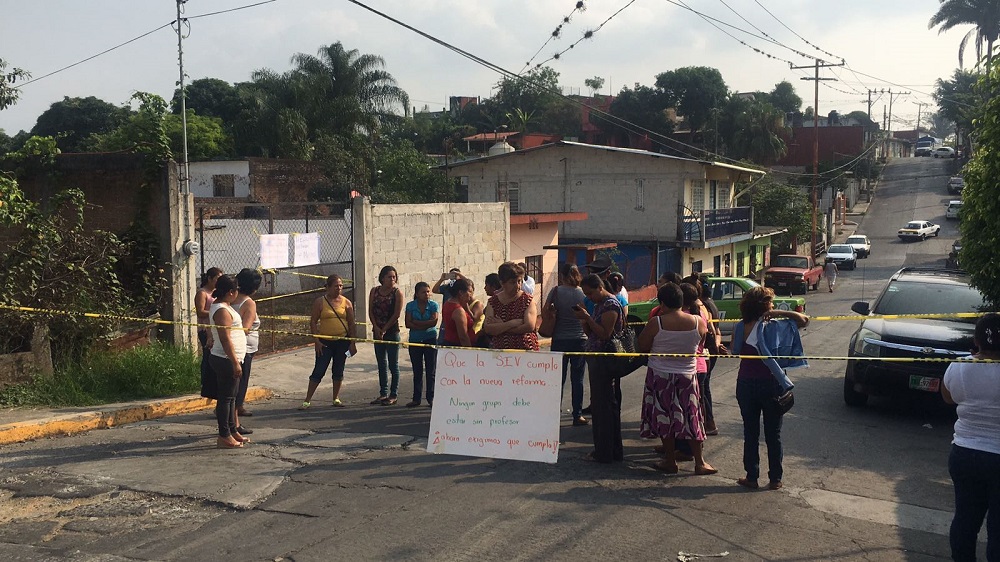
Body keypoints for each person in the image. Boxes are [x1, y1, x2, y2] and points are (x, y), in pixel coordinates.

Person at [730, 286, 809, 490]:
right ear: (765, 306)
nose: (773, 305)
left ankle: (752, 476)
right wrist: (778, 313)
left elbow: (736, 350)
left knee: (751, 433)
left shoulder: (741, 326)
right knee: (774, 434)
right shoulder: (776, 325)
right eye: (771, 303)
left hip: (746, 384)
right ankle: (775, 479)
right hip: (773, 384)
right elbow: (804, 320)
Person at [638, 282, 717, 475]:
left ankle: (670, 460)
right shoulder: (699, 322)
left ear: (662, 303)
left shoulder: (657, 323)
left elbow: (642, 346)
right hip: (688, 376)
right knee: (692, 417)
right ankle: (700, 462)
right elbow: (701, 342)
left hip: (660, 375)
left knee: (665, 417)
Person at [941, 313, 1000, 561]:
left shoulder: (960, 366)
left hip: (965, 452)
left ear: (976, 340)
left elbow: (947, 397)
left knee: (965, 521)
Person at [573, 273, 625, 463]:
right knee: (600, 406)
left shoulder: (610, 305)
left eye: (590, 293)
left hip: (606, 361)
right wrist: (584, 320)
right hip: (596, 358)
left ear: (600, 288)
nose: (589, 297)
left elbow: (604, 334)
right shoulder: (598, 305)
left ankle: (606, 451)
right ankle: (606, 450)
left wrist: (588, 316)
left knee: (605, 408)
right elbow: (592, 332)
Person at [301, 274, 357, 409]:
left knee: (338, 370)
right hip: (325, 342)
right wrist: (316, 340)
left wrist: (352, 343)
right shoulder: (320, 302)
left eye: (341, 286)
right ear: (329, 287)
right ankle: (307, 400)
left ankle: (335, 398)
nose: (339, 288)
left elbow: (351, 323)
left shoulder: (347, 303)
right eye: (336, 286)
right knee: (319, 370)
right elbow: (313, 321)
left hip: (342, 341)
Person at [208, 275, 248, 449]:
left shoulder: (226, 307)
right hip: (225, 359)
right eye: (236, 290)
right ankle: (224, 434)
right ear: (231, 292)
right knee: (225, 398)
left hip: (232, 358)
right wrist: (234, 362)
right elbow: (225, 339)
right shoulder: (221, 310)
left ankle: (232, 430)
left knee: (231, 397)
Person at [546, 262, 588, 426]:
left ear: (562, 276)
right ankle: (577, 415)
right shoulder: (583, 293)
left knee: (558, 379)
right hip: (580, 340)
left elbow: (545, 311)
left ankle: (554, 413)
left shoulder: (556, 291)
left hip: (559, 340)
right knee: (577, 379)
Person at [694, 274, 726, 435]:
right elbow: (717, 331)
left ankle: (707, 423)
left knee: (702, 389)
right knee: (704, 388)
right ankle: (709, 423)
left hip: (705, 354)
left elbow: (712, 331)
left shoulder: (703, 307)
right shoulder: (709, 304)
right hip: (710, 352)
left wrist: (714, 345)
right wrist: (717, 344)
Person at [232, 268, 262, 435]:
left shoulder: (229, 298)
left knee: (233, 384)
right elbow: (245, 327)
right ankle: (235, 421)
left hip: (232, 347)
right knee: (239, 384)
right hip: (244, 349)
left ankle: (237, 409)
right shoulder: (248, 303)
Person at [369, 266, 404, 405]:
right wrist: (376, 328)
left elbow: (396, 314)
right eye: (389, 277)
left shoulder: (397, 293)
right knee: (381, 363)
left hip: (391, 331)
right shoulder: (375, 291)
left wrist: (385, 328)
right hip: (377, 331)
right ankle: (383, 393)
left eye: (394, 277)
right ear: (382, 278)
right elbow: (370, 310)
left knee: (393, 364)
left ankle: (393, 394)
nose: (392, 279)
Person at [483, 262, 539, 351]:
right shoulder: (493, 302)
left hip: (525, 351)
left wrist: (501, 326)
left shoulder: (527, 300)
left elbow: (529, 326)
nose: (517, 285)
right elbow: (488, 328)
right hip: (501, 354)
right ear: (502, 283)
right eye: (512, 282)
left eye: (519, 281)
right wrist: (511, 323)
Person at [405, 282, 439, 408]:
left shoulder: (434, 305)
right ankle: (416, 398)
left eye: (428, 291)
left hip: (430, 339)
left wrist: (417, 323)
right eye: (423, 292)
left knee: (431, 370)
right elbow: (408, 323)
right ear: (417, 294)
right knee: (417, 370)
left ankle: (431, 398)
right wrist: (425, 323)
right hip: (415, 340)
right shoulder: (410, 306)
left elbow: (434, 322)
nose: (427, 294)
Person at [196, 267, 223, 400]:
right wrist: (216, 311)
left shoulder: (217, 293)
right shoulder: (202, 293)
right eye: (216, 278)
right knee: (208, 355)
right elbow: (200, 311)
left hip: (214, 328)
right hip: (205, 329)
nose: (218, 281)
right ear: (210, 278)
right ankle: (205, 383)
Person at [441, 278, 476, 347]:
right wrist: (470, 352)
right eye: (469, 291)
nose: (470, 295)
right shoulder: (458, 310)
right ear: (461, 292)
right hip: (458, 346)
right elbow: (463, 336)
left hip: (449, 342)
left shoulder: (448, 303)